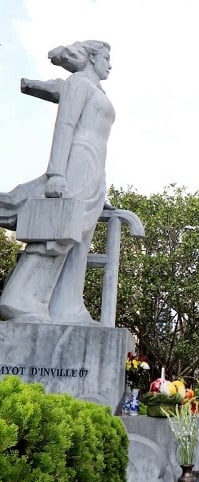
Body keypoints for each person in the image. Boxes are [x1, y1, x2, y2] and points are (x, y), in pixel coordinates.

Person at [0, 40, 114, 324]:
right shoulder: (78, 83)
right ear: (91, 58)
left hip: (93, 166)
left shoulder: (92, 89)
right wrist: (56, 174)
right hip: (76, 161)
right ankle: (19, 299)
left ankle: (67, 307)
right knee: (58, 230)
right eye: (106, 58)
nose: (110, 65)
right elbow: (65, 126)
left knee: (78, 239)